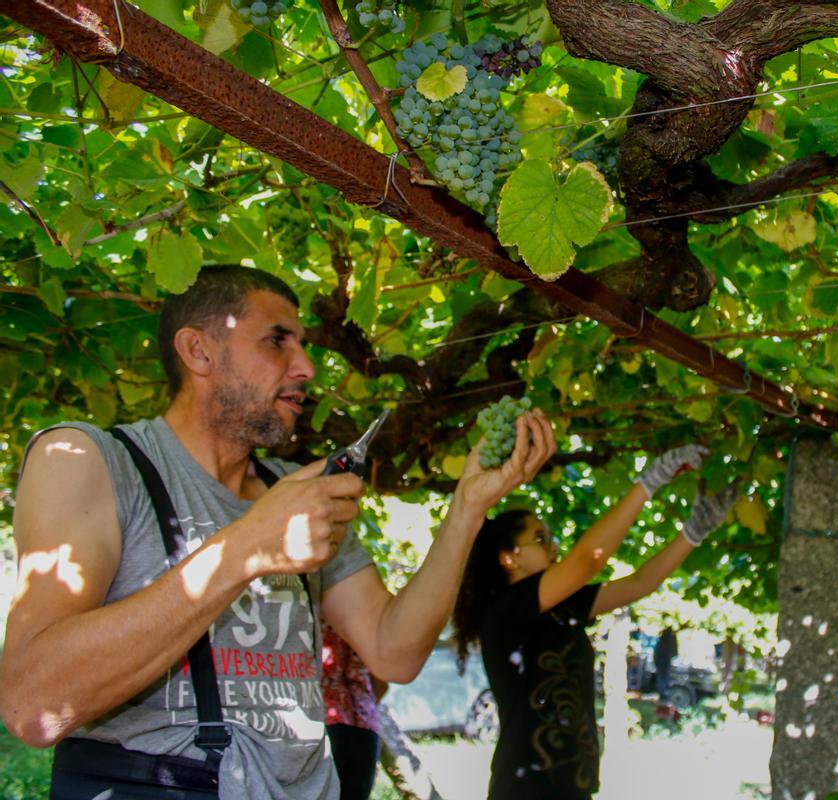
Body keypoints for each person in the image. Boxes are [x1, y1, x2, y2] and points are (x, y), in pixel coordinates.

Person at [0, 265, 555, 799]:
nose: (307, 367)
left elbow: (395, 652)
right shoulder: (87, 459)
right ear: (199, 351)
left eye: (304, 344)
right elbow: (33, 703)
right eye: (277, 341)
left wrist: (468, 506)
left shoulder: (294, 489)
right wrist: (248, 546)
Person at [450, 447, 739, 800]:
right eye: (540, 539)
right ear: (509, 557)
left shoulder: (559, 607)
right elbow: (588, 560)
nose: (553, 547)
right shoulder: (506, 610)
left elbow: (639, 584)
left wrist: (694, 532)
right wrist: (648, 483)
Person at [321, 623, 386, 800]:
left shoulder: (312, 618)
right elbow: (382, 682)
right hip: (365, 723)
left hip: (327, 722)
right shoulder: (367, 625)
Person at [653, 626, 678, 701]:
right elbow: (674, 651)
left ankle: (663, 693)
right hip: (665, 659)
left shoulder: (663, 639)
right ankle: (664, 694)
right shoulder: (670, 638)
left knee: (662, 676)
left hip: (663, 659)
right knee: (664, 677)